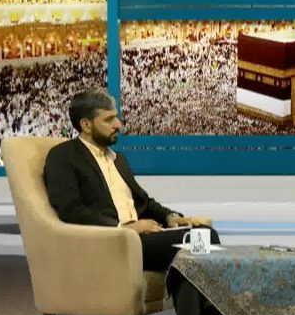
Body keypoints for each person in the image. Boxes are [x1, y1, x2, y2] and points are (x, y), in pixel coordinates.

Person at [43, 89, 217, 272]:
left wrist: (172, 218)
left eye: (116, 118)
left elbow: (144, 202)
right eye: (109, 119)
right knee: (203, 241)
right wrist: (126, 228)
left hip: (142, 237)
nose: (118, 125)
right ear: (86, 125)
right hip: (112, 241)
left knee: (202, 236)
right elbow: (70, 210)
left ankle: (188, 292)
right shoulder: (63, 156)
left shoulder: (118, 159)